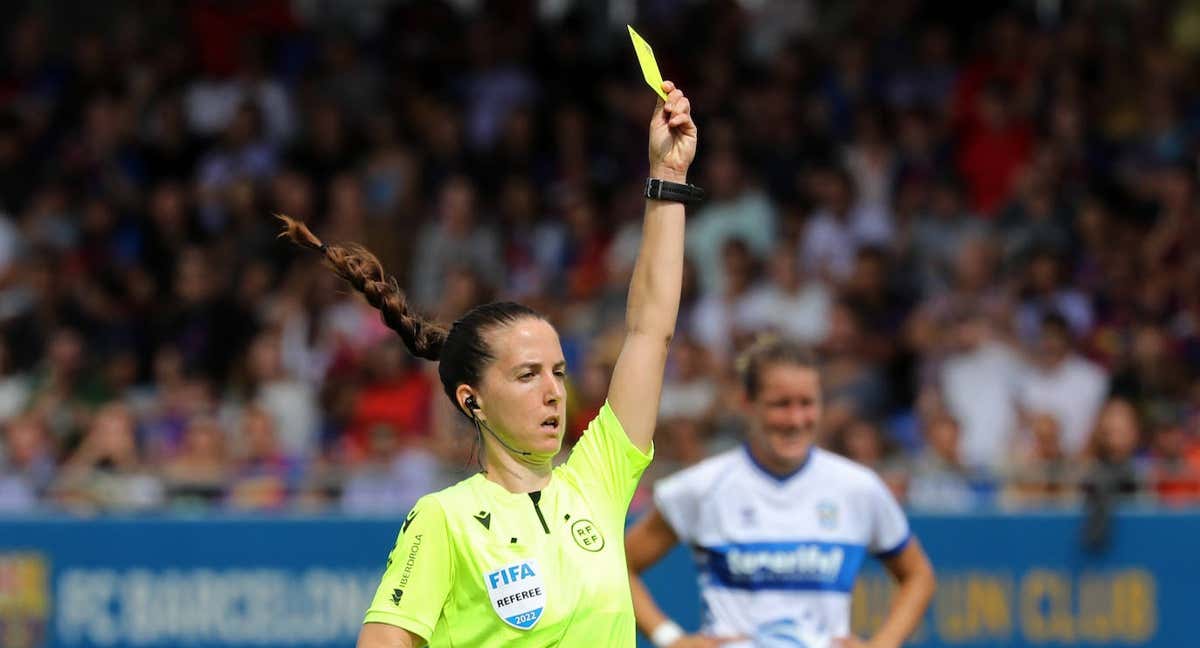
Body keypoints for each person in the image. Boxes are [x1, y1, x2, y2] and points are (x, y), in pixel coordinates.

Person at [278, 80, 698, 648]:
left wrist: (667, 178)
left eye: (558, 372)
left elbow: (650, 330)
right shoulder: (444, 520)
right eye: (527, 375)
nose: (552, 391)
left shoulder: (598, 482)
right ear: (470, 398)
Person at [626, 338, 935, 648]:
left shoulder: (859, 488)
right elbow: (618, 567)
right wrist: (670, 639)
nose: (796, 420)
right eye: (781, 404)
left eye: (807, 403)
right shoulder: (702, 487)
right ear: (748, 403)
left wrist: (882, 644)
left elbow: (918, 575)